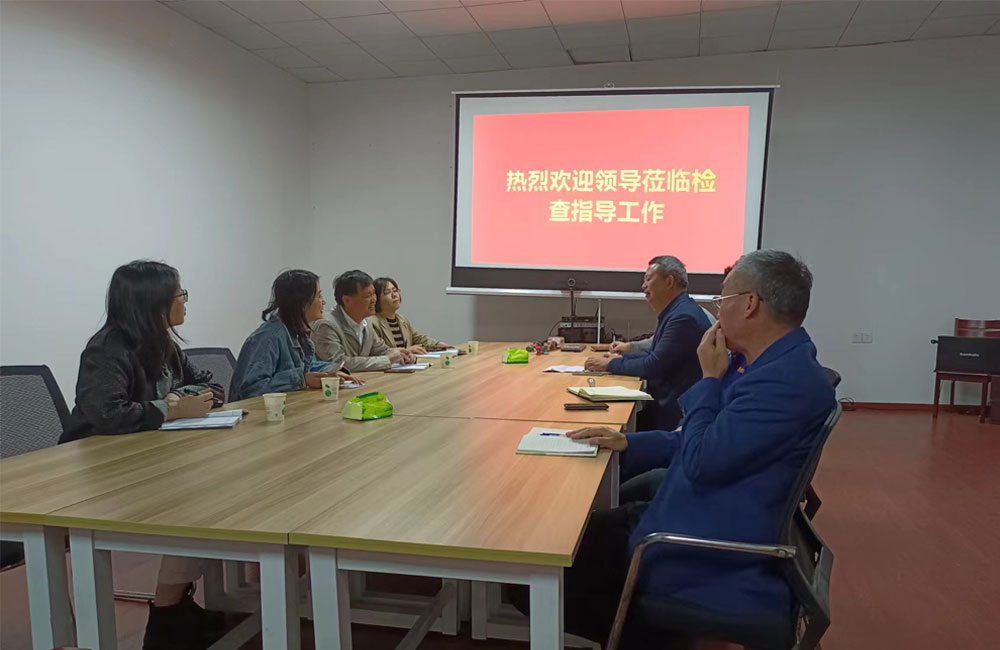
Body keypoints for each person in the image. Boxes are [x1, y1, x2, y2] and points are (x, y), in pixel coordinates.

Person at [532, 250, 837, 647]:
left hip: (696, 545)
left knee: (541, 571)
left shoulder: (782, 383)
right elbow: (697, 437)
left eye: (723, 299)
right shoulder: (765, 363)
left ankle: (652, 637)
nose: (717, 311)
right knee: (569, 535)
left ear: (749, 304)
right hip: (690, 513)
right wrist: (628, 441)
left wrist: (709, 379)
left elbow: (699, 459)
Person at [58, 260, 229, 650]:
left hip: (153, 458)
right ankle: (168, 617)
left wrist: (182, 400)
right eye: (179, 295)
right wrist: (171, 408)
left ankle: (171, 610)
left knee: (209, 498)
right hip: (102, 472)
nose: (185, 302)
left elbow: (211, 388)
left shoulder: (165, 344)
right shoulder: (107, 349)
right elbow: (107, 414)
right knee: (198, 506)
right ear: (154, 302)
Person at [585, 255, 711, 430]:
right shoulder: (678, 310)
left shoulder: (683, 318)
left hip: (671, 416)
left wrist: (610, 364)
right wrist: (621, 358)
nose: (643, 286)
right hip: (664, 404)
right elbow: (654, 353)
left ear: (669, 281)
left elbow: (653, 365)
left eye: (648, 279)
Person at [231, 269, 352, 401]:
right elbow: (252, 389)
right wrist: (301, 379)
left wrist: (331, 371)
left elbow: (307, 367)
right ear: (301, 302)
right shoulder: (270, 337)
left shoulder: (298, 334)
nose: (323, 302)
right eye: (319, 296)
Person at [312, 270, 415, 372]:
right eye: (368, 296)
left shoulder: (365, 323)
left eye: (374, 294)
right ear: (347, 300)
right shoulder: (326, 325)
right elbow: (338, 363)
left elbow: (382, 351)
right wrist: (387, 360)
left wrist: (401, 354)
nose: (374, 299)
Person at [370, 277, 455, 354]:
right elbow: (379, 352)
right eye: (387, 292)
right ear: (376, 298)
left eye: (395, 290)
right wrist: (407, 351)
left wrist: (437, 344)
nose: (394, 295)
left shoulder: (402, 320)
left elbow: (418, 338)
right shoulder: (372, 323)